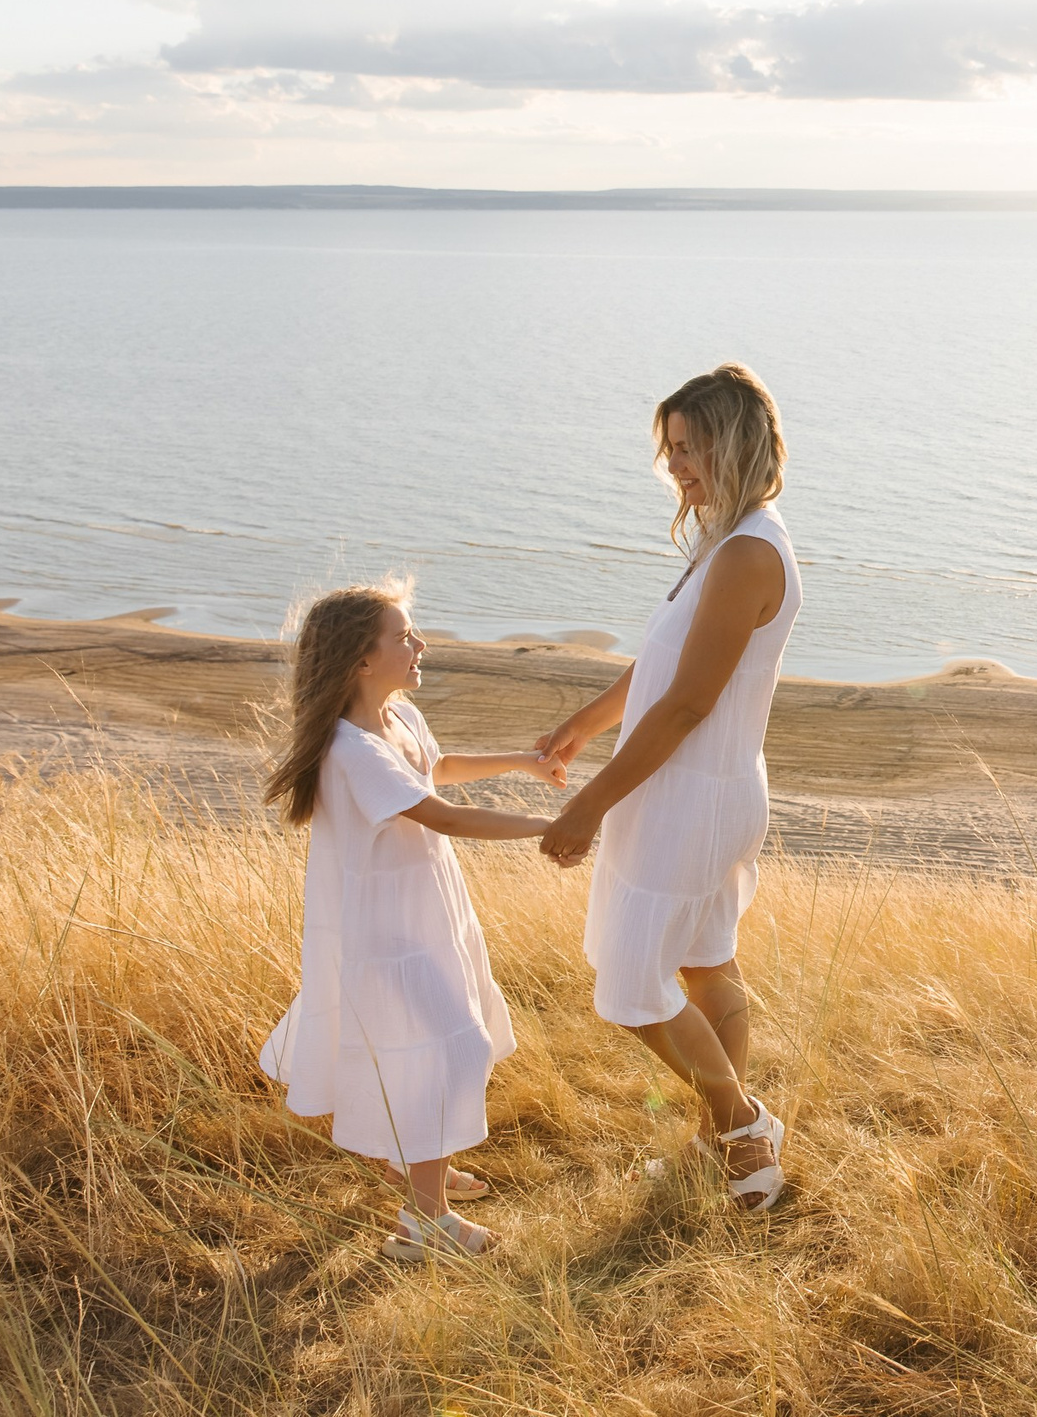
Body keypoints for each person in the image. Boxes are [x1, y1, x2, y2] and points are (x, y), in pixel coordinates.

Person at [538, 362, 802, 1211]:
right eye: (671, 451)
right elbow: (661, 668)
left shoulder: (749, 553)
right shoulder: (725, 540)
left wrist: (590, 802)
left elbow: (689, 703)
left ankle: (743, 1123)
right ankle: (720, 1147)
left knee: (631, 985)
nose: (677, 467)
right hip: (702, 788)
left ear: (734, 443)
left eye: (690, 448)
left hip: (690, 794)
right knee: (704, 969)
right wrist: (585, 721)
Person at [257, 581, 566, 1262]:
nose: (419, 643)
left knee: (451, 1038)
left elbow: (440, 769)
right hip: (388, 929)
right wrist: (553, 827)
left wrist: (524, 761)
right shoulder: (351, 749)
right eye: (404, 635)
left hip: (430, 912)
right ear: (361, 660)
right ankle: (426, 1222)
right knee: (450, 1050)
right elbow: (442, 814)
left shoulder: (396, 720)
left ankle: (417, 1166)